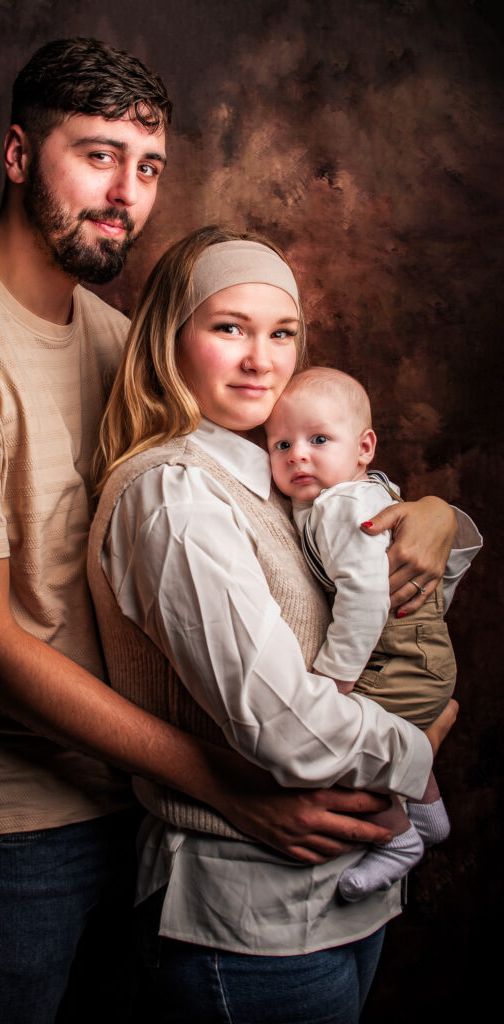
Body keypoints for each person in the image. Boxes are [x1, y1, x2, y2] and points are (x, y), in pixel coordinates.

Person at [0, 41, 441, 1023]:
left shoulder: (121, 341)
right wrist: (224, 786)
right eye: (96, 156)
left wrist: (423, 514)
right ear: (17, 155)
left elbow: (287, 499)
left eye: (148, 165)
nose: (126, 193)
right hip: (0, 831)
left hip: (134, 803)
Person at [88, 226, 474, 1023]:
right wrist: (421, 745)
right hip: (250, 916)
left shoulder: (281, 478)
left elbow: (393, 609)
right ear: (169, 339)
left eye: (282, 334)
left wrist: (434, 513)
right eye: (229, 328)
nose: (260, 361)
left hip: (344, 893)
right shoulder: (174, 495)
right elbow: (282, 728)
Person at [266, 366, 478, 902]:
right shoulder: (352, 493)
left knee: (339, 740)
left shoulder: (344, 507)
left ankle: (398, 839)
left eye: (318, 440)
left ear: (363, 448)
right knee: (381, 734)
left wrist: (334, 678)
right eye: (282, 444)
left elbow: (364, 596)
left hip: (399, 659)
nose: (297, 456)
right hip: (412, 654)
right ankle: (429, 812)